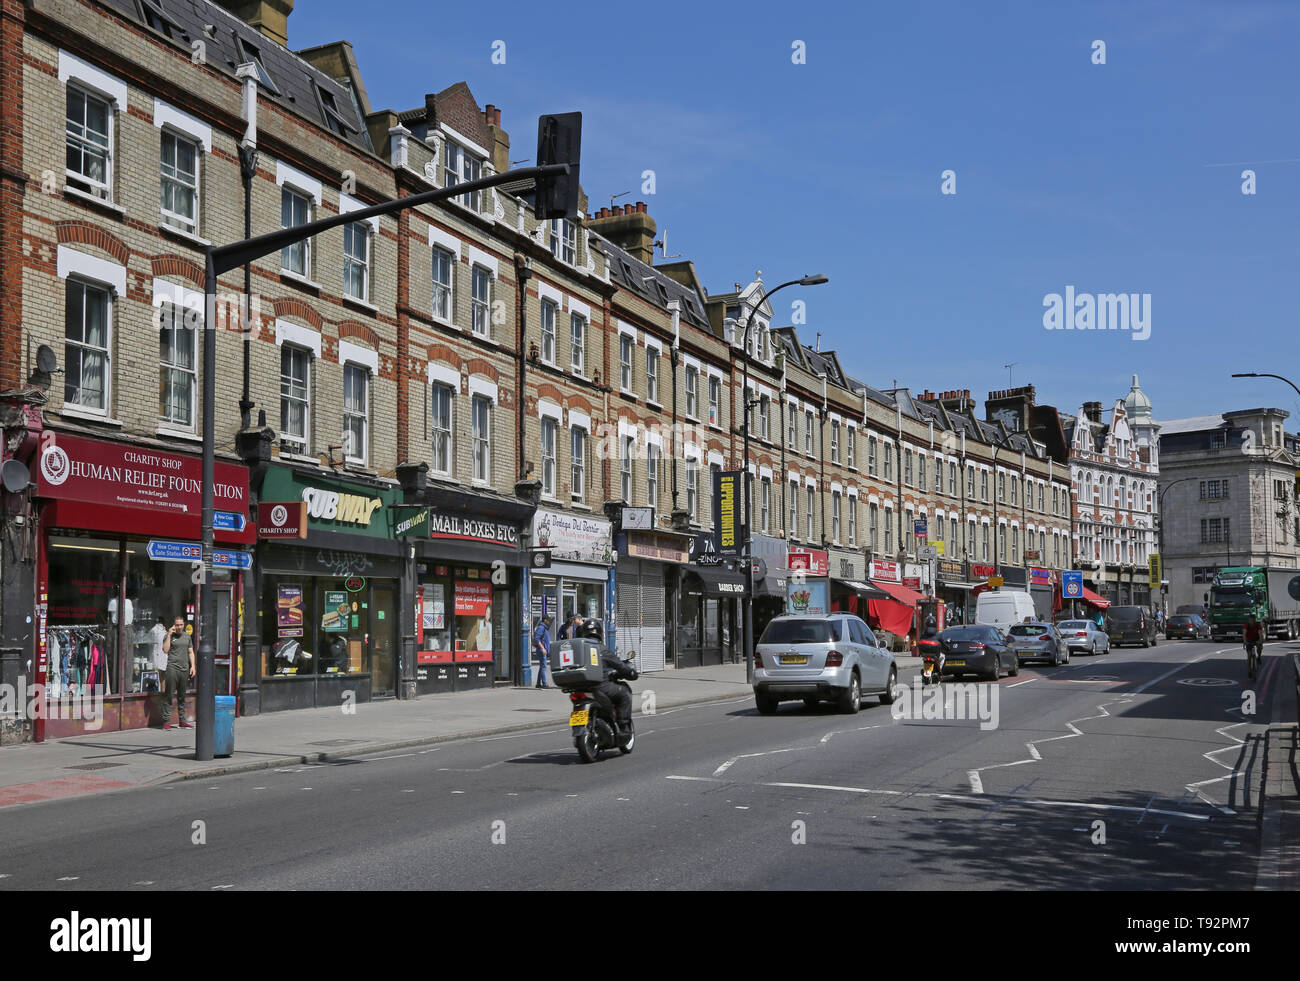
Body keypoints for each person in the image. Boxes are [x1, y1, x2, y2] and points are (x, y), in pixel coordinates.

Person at [594, 644, 638, 733]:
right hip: (600, 687)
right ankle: (623, 724)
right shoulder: (600, 648)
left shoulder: (576, 649)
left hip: (578, 688)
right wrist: (630, 672)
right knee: (625, 691)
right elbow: (619, 665)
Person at [160, 616, 194, 730]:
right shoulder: (169, 636)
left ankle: (182, 721)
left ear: (183, 625)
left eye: (181, 625)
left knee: (182, 696)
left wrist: (193, 666)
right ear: (174, 625)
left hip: (184, 669)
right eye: (177, 625)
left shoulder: (187, 637)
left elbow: (190, 652)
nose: (179, 627)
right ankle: (166, 721)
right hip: (172, 668)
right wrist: (169, 635)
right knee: (169, 694)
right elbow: (165, 650)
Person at [533, 615, 552, 689]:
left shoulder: (544, 628)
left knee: (542, 667)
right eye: (548, 620)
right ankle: (544, 683)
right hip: (541, 650)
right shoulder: (541, 628)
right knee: (544, 667)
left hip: (543, 650)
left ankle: (538, 684)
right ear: (545, 620)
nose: (549, 622)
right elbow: (537, 639)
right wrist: (543, 648)